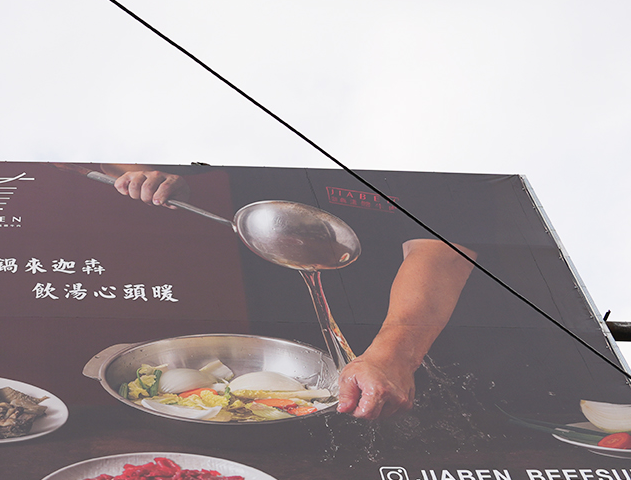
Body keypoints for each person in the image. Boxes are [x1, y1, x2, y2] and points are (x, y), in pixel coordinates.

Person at [102, 164, 476, 420]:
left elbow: (441, 254)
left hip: (425, 336)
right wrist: (153, 175)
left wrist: (393, 357)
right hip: (286, 326)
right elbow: (126, 156)